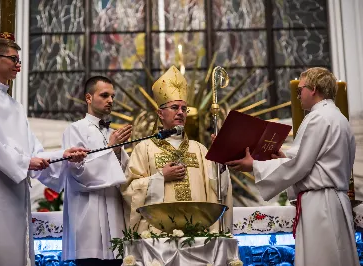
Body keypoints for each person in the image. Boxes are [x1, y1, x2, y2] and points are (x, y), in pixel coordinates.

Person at [0, 37, 88, 266]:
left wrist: (64, 156)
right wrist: (23, 162)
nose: (18, 65)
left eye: (19, 60)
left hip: (17, 192)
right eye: (14, 59)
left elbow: (35, 153)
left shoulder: (16, 107)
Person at [226, 67, 359, 266]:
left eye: (300, 90)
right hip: (336, 201)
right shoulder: (340, 119)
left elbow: (299, 165)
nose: (298, 96)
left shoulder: (317, 117)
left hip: (320, 205)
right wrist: (284, 157)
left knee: (322, 259)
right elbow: (316, 161)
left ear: (313, 89)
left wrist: (255, 166)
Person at [121, 66, 233, 233]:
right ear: (160, 113)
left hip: (197, 232)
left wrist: (220, 161)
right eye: (174, 108)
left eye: (184, 109)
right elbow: (129, 191)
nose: (180, 112)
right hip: (157, 234)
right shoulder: (144, 148)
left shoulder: (200, 150)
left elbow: (218, 190)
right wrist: (160, 178)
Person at [61, 76, 132, 266]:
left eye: (112, 96)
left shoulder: (111, 133)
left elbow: (124, 174)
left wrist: (116, 151)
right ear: (89, 98)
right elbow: (78, 174)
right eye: (104, 95)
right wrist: (111, 149)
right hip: (88, 215)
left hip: (113, 212)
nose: (110, 100)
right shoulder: (74, 130)